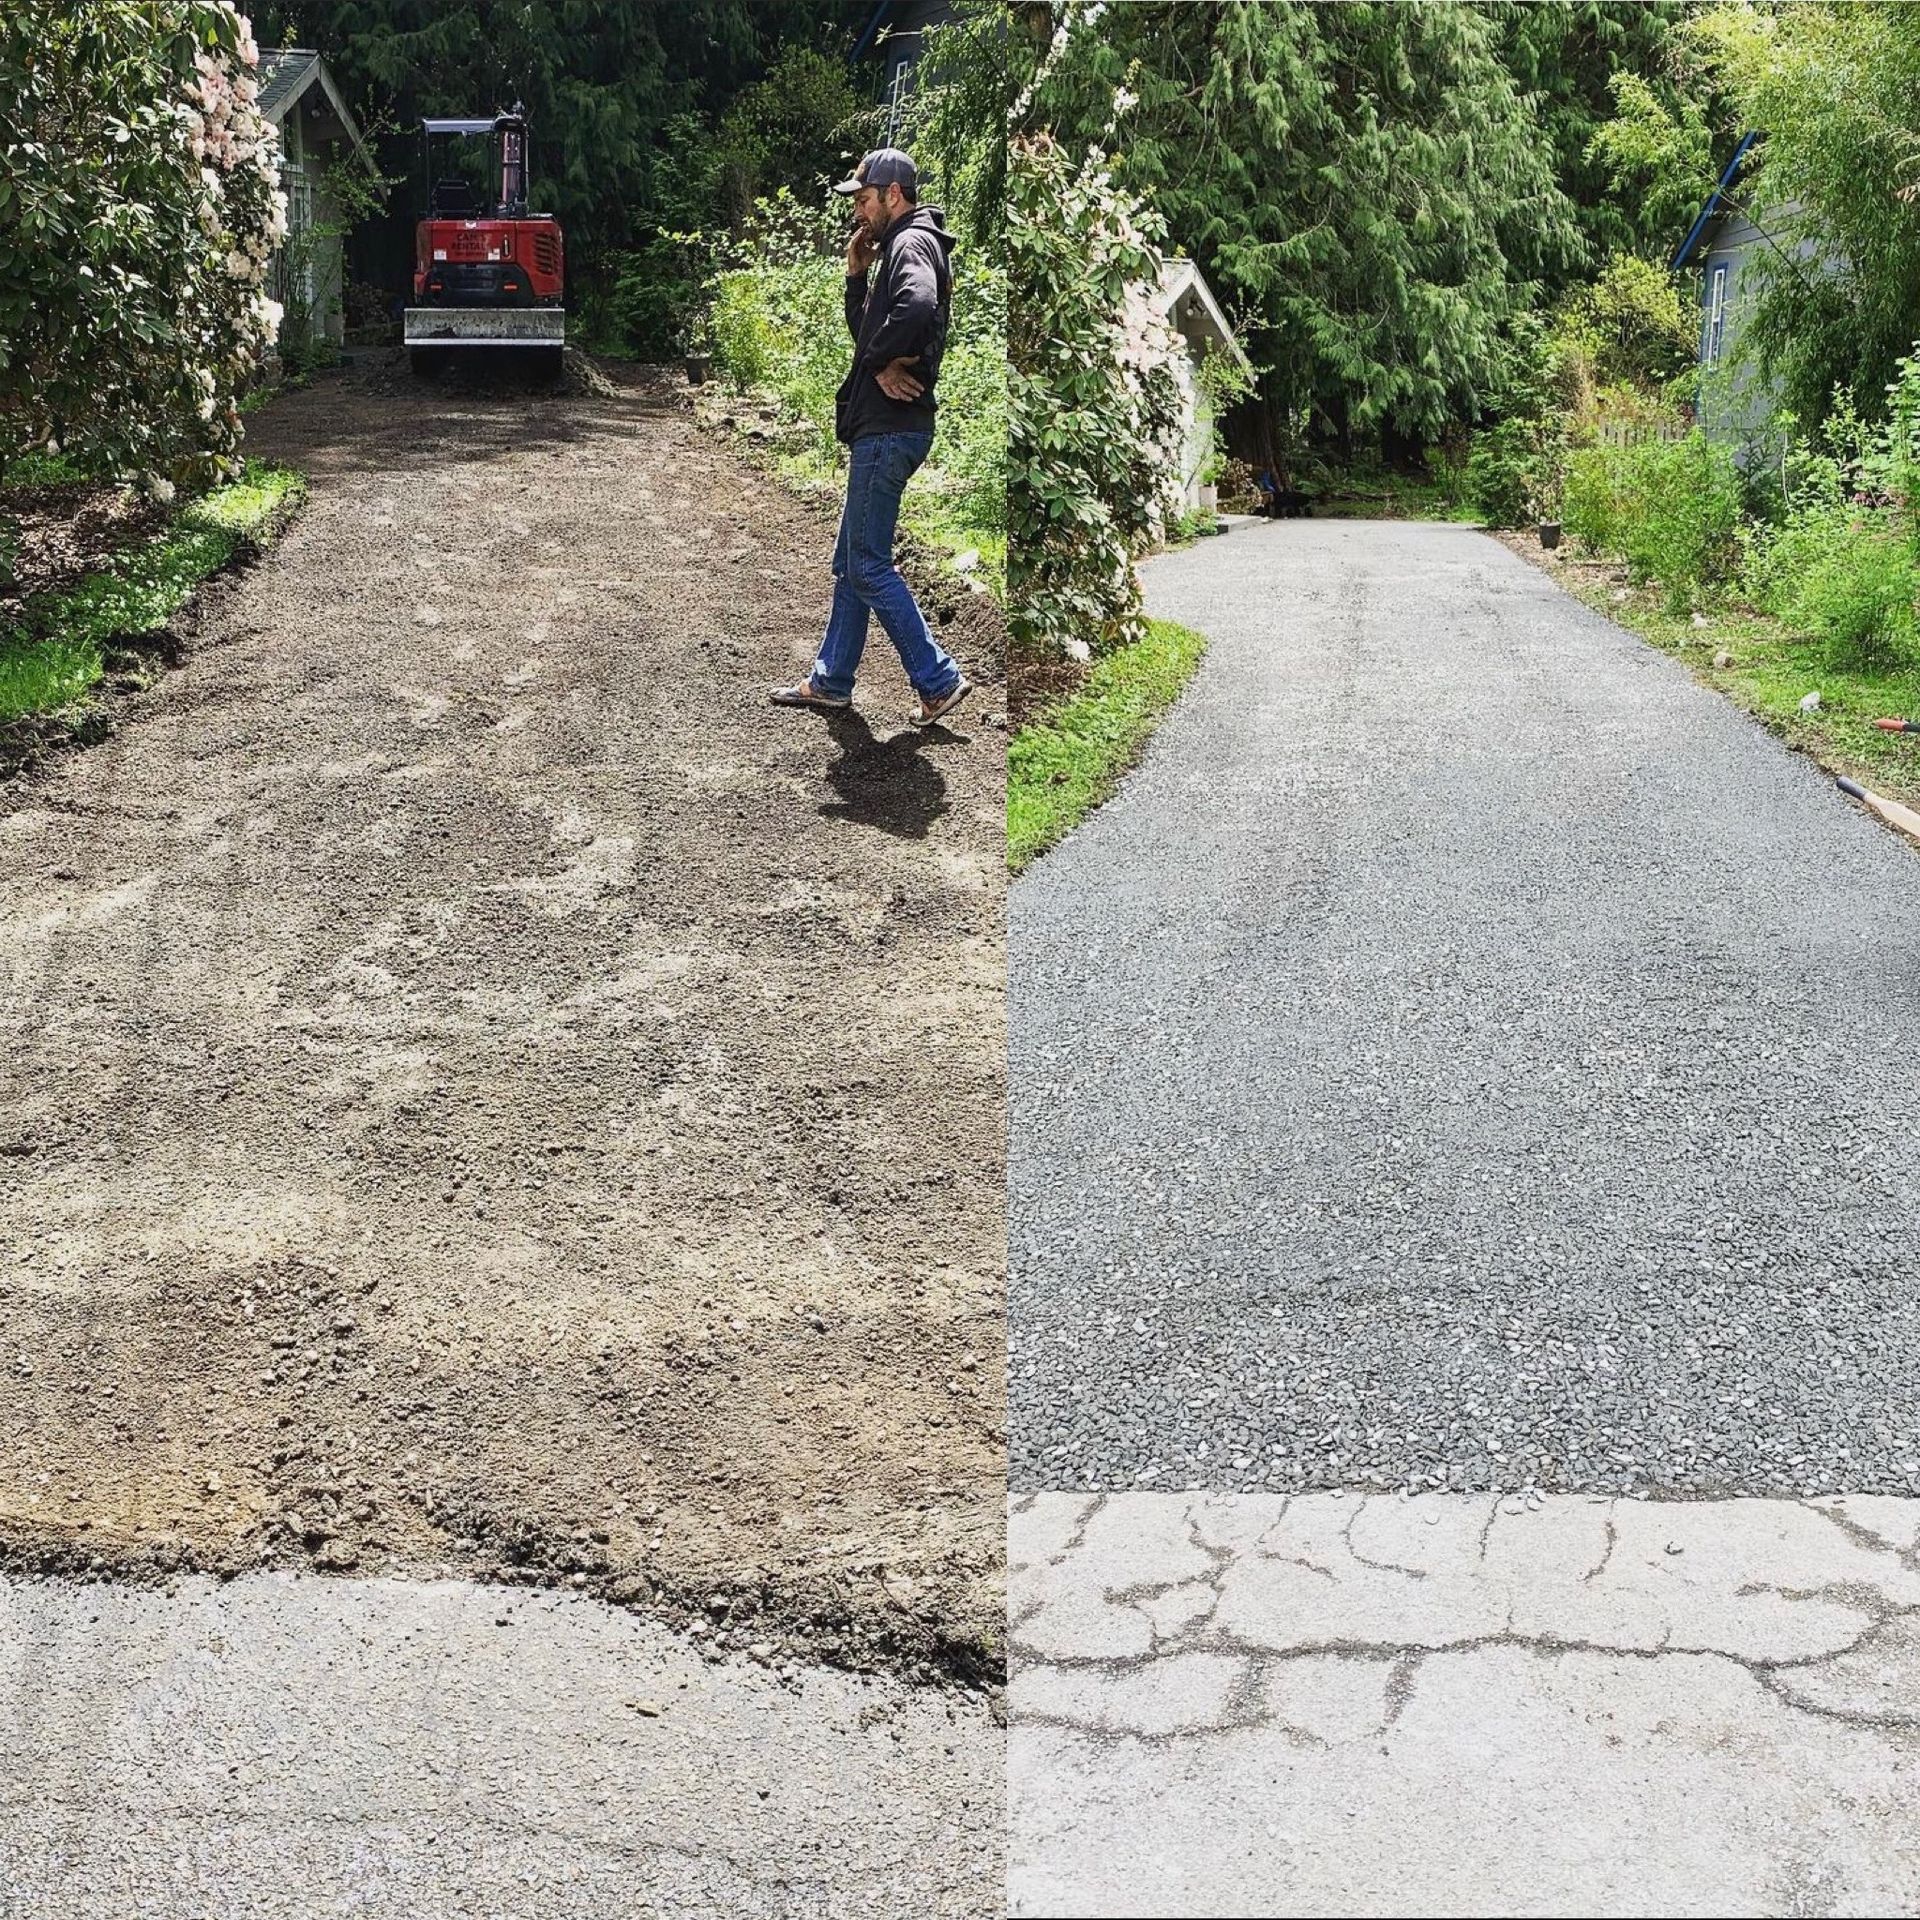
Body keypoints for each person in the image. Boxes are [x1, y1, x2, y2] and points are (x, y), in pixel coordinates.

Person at [771, 147, 970, 727]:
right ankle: (832, 679)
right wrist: (857, 280)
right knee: (850, 561)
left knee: (867, 563)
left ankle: (938, 679)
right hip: (886, 428)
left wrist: (880, 362)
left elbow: (918, 305)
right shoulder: (900, 245)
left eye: (863, 199)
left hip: (889, 430)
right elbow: (872, 334)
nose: (858, 212)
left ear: (893, 194)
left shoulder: (911, 242)